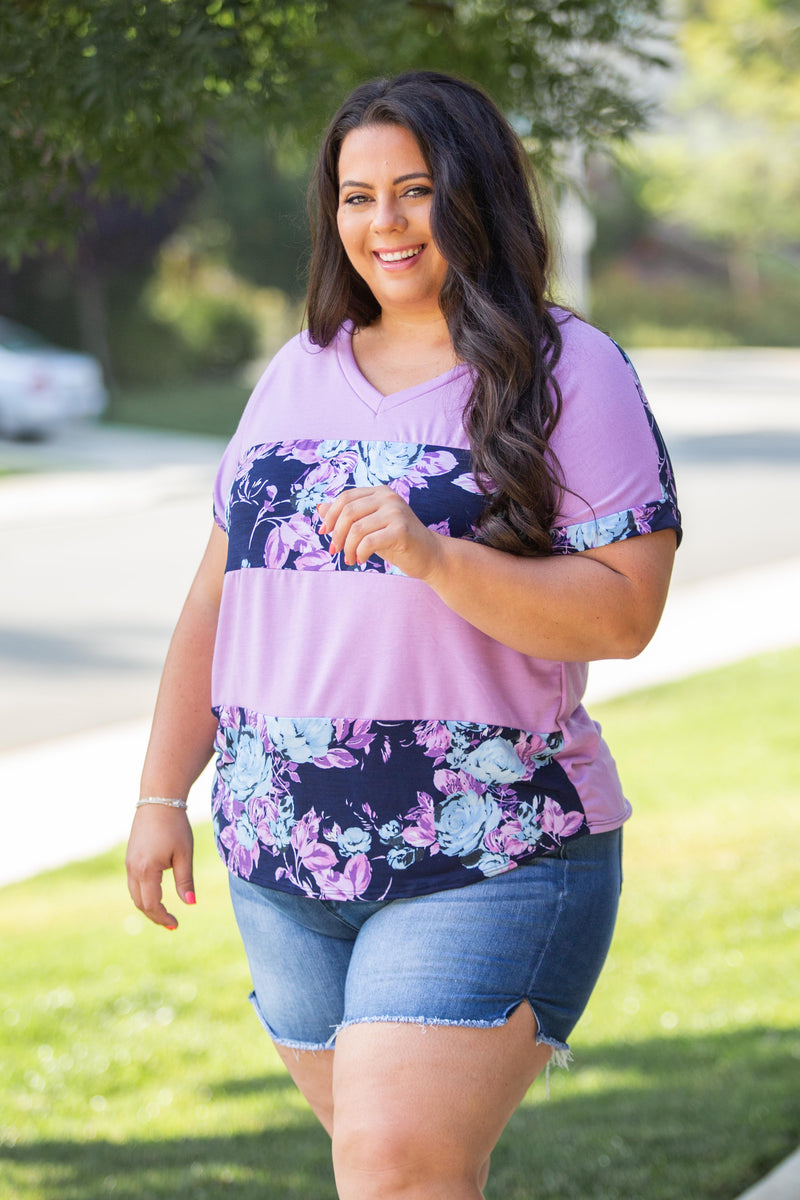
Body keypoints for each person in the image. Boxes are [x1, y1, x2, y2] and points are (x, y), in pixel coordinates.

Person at [126, 70, 681, 1199]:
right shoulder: (296, 373)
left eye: (415, 190)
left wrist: (438, 558)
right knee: (394, 1177)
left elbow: (625, 610)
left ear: (474, 194)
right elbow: (216, 599)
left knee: (390, 1168)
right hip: (283, 860)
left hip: (488, 848)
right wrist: (157, 796)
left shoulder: (567, 370)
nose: (382, 223)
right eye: (355, 195)